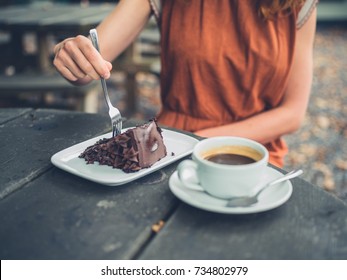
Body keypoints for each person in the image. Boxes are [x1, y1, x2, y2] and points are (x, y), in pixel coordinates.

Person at [53, 0, 318, 167]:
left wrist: (198, 142)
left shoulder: (298, 3)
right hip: (169, 148)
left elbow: (292, 114)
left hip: (252, 149)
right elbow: (91, 66)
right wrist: (75, 57)